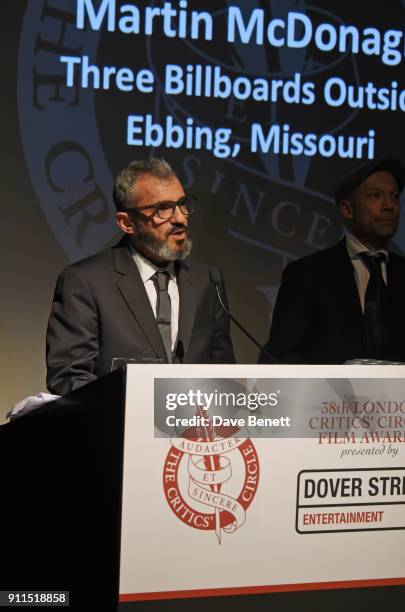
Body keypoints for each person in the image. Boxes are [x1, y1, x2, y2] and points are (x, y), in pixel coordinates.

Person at [46, 158, 235, 395]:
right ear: (127, 223)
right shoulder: (85, 282)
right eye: (163, 209)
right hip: (116, 428)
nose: (180, 218)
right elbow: (69, 378)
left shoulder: (207, 280)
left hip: (193, 429)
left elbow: (222, 370)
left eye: (183, 204)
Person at [260, 156, 405, 364]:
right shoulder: (306, 275)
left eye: (395, 196)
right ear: (347, 209)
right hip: (328, 396)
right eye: (375, 195)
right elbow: (285, 358)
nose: (389, 205)